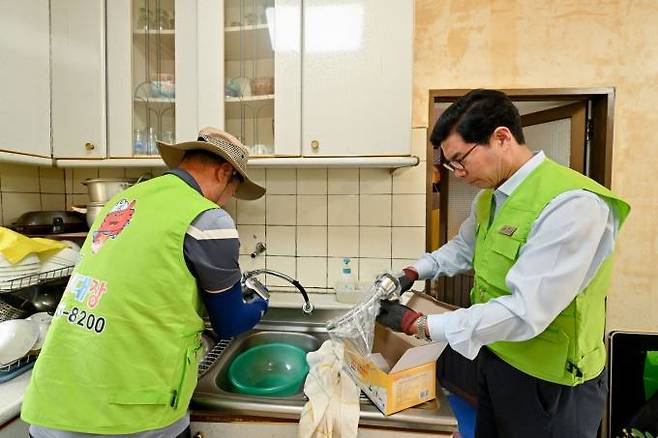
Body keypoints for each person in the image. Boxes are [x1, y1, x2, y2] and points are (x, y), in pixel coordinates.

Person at [377, 89, 631, 437]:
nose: (457, 173)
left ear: (501, 137)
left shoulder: (573, 206)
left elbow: (525, 311)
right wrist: (413, 272)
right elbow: (462, 249)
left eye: (459, 159)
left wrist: (419, 325)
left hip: (551, 384)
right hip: (498, 359)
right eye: (450, 164)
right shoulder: (490, 199)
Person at [22, 128, 269, 438]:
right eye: (235, 187)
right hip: (133, 412)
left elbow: (146, 283)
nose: (230, 199)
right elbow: (230, 323)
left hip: (54, 402)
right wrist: (260, 305)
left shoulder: (121, 202)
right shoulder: (208, 218)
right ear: (225, 172)